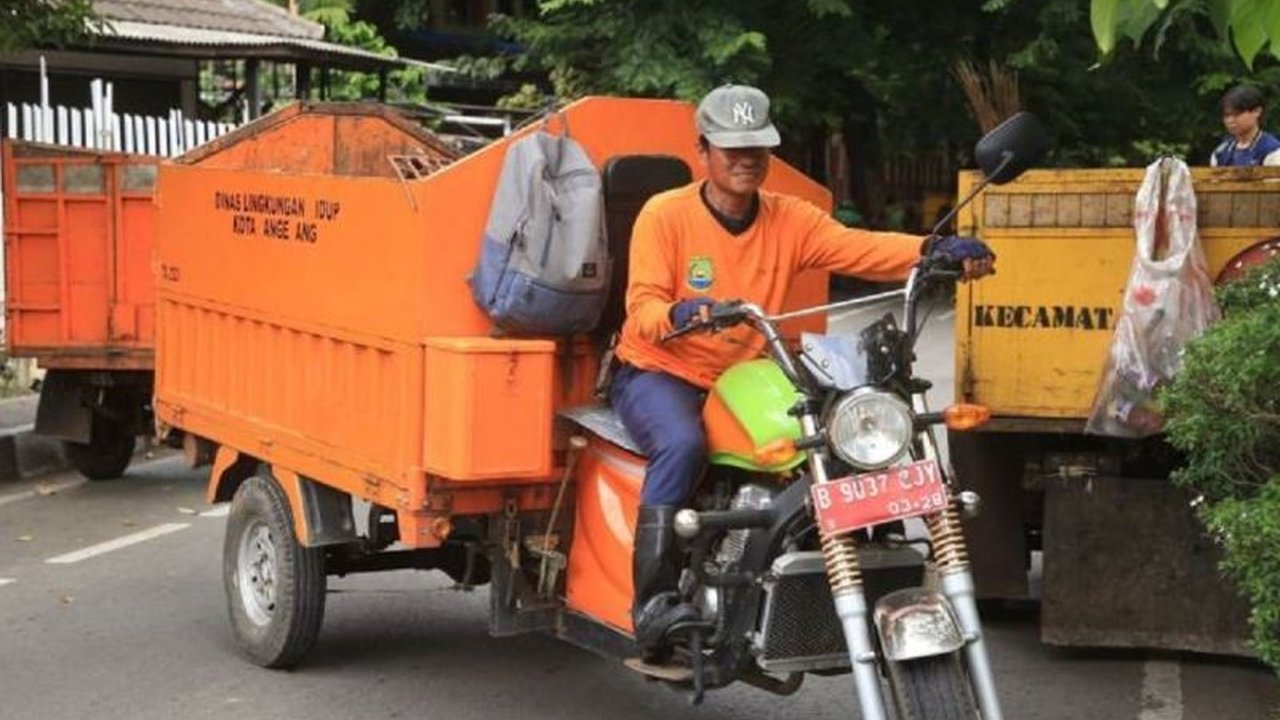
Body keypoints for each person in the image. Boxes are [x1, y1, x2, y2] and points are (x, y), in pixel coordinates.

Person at [608, 84, 995, 661]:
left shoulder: (790, 218)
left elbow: (858, 247)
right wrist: (681, 313)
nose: (745, 160)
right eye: (732, 148)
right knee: (682, 446)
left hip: (746, 377)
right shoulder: (665, 216)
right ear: (703, 151)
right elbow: (640, 314)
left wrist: (931, 250)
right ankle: (657, 606)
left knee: (829, 436)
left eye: (757, 149)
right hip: (661, 372)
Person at [1210, 85, 1280, 167]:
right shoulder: (1220, 153)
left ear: (1257, 111)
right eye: (1227, 115)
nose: (1230, 120)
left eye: (1236, 114)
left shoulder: (1272, 151)